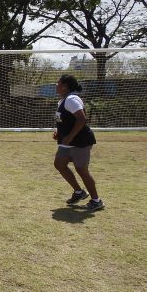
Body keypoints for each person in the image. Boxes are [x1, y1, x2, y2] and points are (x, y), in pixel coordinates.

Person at [53, 74, 104, 211]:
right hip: (67, 140)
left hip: (80, 141)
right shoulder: (63, 100)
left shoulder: (72, 99)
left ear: (64, 86)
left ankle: (96, 201)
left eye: (57, 83)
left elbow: (81, 119)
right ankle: (79, 192)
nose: (55, 85)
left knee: (81, 170)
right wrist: (59, 131)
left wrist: (69, 136)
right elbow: (65, 120)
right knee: (59, 164)